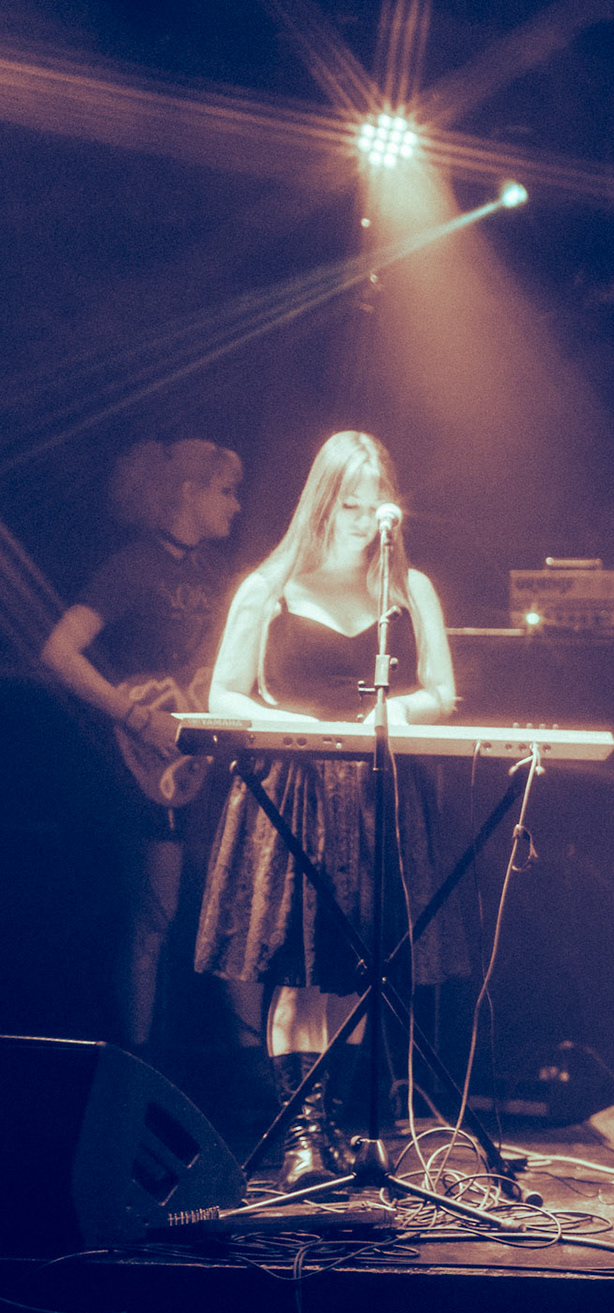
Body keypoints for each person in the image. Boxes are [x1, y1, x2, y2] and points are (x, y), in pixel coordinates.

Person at [193, 431, 459, 1189]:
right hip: (295, 790)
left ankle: (338, 1126)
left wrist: (395, 715)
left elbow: (441, 691)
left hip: (377, 789)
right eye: (350, 505)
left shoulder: (409, 590)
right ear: (322, 503)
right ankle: (302, 1137)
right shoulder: (270, 587)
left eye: (376, 506)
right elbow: (223, 694)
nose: (364, 520)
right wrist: (296, 726)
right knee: (300, 967)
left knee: (359, 971)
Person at [40, 438, 245, 1052]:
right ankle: (138, 1064)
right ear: (189, 491)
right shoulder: (134, 564)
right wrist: (134, 716)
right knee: (153, 918)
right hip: (142, 764)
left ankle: (248, 1063)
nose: (236, 506)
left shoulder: (217, 574)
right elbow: (58, 651)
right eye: (226, 491)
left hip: (200, 760)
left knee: (227, 912)